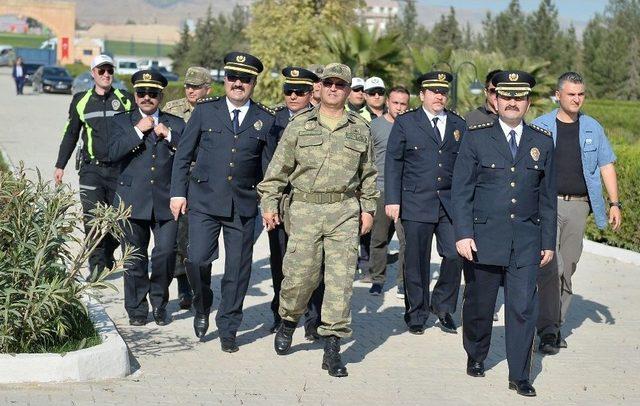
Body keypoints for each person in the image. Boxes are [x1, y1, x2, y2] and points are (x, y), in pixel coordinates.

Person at [258, 63, 378, 377]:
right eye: (329, 84)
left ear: (349, 91)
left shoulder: (360, 128)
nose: (334, 89)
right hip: (304, 211)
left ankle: (332, 348)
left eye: (340, 84)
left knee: (339, 284)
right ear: (319, 88)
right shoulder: (299, 125)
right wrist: (269, 204)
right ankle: (288, 320)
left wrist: (368, 209)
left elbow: (369, 176)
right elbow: (277, 172)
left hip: (344, 212)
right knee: (300, 278)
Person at [452, 70, 556, 397]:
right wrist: (463, 233)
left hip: (526, 241)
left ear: (528, 102)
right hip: (483, 238)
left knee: (523, 308)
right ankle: (476, 353)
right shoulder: (476, 136)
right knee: (480, 304)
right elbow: (462, 190)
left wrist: (547, 242)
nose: (512, 102)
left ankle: (519, 374)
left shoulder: (542, 141)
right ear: (495, 100)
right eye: (507, 96)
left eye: (519, 97)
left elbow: (547, 198)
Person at [170, 52, 278, 353]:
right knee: (196, 259)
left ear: (253, 82)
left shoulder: (264, 120)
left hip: (242, 206)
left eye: (245, 79)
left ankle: (229, 326)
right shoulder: (206, 112)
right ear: (225, 80)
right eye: (233, 77)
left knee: (237, 271)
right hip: (203, 200)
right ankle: (203, 304)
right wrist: (178, 193)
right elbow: (184, 155)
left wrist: (270, 204)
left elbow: (269, 171)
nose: (238, 83)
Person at [533, 71, 621, 355]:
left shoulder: (593, 127)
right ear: (558, 95)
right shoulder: (540, 126)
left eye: (581, 94)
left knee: (567, 268)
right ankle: (547, 330)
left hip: (578, 206)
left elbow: (606, 165)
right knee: (551, 266)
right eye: (571, 94)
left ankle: (555, 326)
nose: (576, 99)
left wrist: (615, 204)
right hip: (547, 205)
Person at [385, 71, 467, 335]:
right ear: (422, 95)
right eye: (433, 91)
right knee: (416, 260)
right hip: (416, 200)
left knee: (455, 255)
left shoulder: (457, 124)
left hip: (449, 203)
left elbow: (465, 165)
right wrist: (393, 200)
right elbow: (393, 162)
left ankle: (442, 307)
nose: (439, 96)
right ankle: (417, 312)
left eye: (443, 92)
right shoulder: (407, 123)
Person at [108, 70, 184, 326]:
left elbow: (190, 155)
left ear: (161, 96)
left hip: (166, 201)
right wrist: (138, 132)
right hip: (132, 199)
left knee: (165, 254)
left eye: (153, 93)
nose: (147, 98)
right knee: (135, 258)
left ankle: (160, 303)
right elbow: (110, 153)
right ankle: (137, 309)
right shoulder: (122, 122)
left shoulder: (176, 123)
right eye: (142, 93)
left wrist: (170, 136)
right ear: (135, 95)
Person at [54, 54, 134, 282]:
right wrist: (60, 165)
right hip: (91, 170)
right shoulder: (81, 100)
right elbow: (70, 134)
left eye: (110, 70)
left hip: (120, 170)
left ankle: (108, 252)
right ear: (93, 74)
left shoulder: (125, 99)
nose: (107, 74)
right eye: (101, 71)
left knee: (121, 221)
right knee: (92, 220)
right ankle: (97, 267)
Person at [269, 66, 324, 340]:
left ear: (309, 93)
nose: (292, 96)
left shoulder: (320, 120)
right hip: (280, 203)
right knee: (281, 262)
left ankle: (314, 319)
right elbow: (265, 162)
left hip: (309, 204)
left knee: (314, 264)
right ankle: (279, 315)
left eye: (299, 92)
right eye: (288, 91)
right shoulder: (274, 119)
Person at [163, 66, 212, 311]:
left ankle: (201, 285)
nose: (191, 91)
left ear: (208, 89)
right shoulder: (172, 110)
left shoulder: (215, 110)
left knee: (201, 236)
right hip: (181, 175)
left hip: (205, 179)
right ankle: (184, 286)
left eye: (196, 87)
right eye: (188, 86)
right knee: (180, 234)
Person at [368, 86, 410, 298]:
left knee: (406, 240)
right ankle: (377, 279)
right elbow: (366, 160)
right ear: (387, 102)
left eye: (404, 104)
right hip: (381, 189)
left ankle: (403, 282)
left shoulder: (412, 126)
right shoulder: (374, 127)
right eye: (396, 103)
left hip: (405, 192)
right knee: (379, 238)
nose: (399, 108)